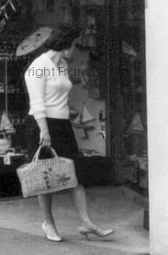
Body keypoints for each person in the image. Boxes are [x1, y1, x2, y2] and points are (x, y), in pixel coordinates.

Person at [24, 23, 114, 242]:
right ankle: (48, 223)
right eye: (73, 44)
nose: (74, 48)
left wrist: (69, 113)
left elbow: (59, 95)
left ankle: (86, 222)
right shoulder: (38, 66)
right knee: (45, 177)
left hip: (62, 124)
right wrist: (44, 131)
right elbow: (37, 103)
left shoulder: (62, 64)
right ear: (65, 44)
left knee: (75, 173)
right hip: (42, 125)